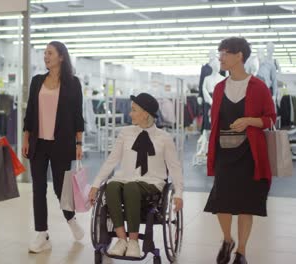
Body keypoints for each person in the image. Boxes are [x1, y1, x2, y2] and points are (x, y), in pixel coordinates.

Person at [204, 37, 276, 264]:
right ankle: (228, 239)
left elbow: (270, 119)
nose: (220, 57)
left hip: (250, 154)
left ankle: (241, 251)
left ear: (239, 56)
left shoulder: (259, 86)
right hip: (224, 152)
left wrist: (249, 121)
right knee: (221, 201)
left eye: (225, 53)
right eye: (220, 53)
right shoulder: (218, 88)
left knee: (247, 204)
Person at [88, 93, 184, 258]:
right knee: (111, 185)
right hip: (125, 178)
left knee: (131, 187)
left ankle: (133, 242)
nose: (129, 113)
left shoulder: (164, 138)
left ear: (145, 113)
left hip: (152, 183)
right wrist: (95, 184)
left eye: (134, 110)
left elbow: (175, 167)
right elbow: (112, 160)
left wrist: (179, 193)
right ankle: (122, 240)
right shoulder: (125, 133)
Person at [22, 41, 85, 253]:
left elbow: (78, 115)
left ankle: (71, 219)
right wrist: (25, 138)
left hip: (62, 143)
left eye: (50, 53)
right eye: (44, 53)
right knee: (38, 188)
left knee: (62, 189)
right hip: (38, 143)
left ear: (61, 57)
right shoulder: (37, 81)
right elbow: (30, 112)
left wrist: (79, 143)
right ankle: (42, 233)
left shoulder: (73, 83)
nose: (45, 57)